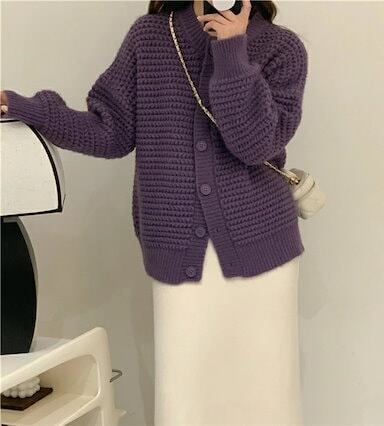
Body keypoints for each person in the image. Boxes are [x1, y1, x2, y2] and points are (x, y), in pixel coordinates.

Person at [1, 1, 308, 424]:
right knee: (187, 394)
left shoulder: (282, 48)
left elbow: (255, 145)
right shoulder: (149, 39)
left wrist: (232, 50)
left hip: (262, 251)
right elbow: (110, 131)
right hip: (178, 244)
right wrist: (30, 109)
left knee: (265, 390)